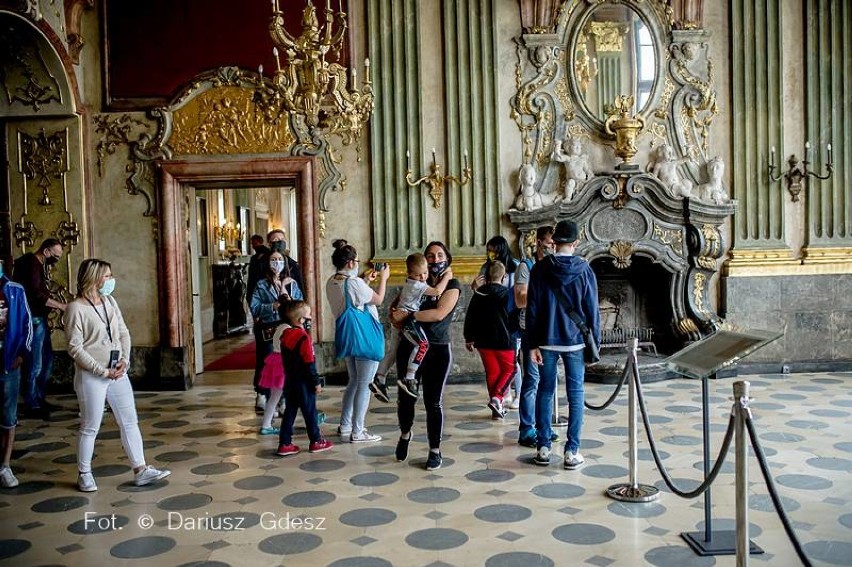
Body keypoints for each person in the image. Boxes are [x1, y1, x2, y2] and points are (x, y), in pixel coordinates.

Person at [65, 259, 170, 491]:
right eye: (107, 276)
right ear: (93, 278)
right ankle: (85, 473)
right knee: (90, 425)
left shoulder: (110, 301)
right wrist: (101, 370)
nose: (111, 280)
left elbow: (123, 332)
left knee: (129, 420)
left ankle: (140, 469)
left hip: (118, 371)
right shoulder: (76, 308)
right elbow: (75, 347)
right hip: (92, 375)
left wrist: (125, 360)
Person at [527, 220, 600, 469]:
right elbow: (592, 310)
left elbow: (532, 310)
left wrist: (532, 344)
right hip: (575, 342)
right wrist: (595, 344)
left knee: (545, 392)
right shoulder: (585, 270)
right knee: (576, 395)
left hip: (546, 340)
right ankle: (571, 451)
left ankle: (544, 448)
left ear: (554, 242)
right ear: (576, 242)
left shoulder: (539, 269)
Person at [391, 241, 462, 471]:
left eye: (440, 255)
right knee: (406, 399)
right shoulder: (412, 283)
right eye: (430, 256)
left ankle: (434, 450)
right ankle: (405, 434)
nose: (435, 260)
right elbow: (394, 315)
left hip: (437, 349)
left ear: (447, 258)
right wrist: (399, 316)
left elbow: (439, 314)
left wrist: (409, 315)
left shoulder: (452, 284)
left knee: (433, 402)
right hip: (409, 346)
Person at [326, 239, 388, 443]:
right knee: (365, 383)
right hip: (363, 336)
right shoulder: (354, 283)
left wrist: (365, 281)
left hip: (348, 335)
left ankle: (345, 425)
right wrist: (384, 279)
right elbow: (378, 299)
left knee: (353, 381)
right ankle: (358, 431)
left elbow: (351, 300)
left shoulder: (332, 281)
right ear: (351, 262)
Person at [373, 253, 453, 402]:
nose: (422, 277)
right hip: (408, 320)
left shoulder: (410, 282)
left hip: (399, 319)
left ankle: (380, 378)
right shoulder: (417, 285)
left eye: (425, 273)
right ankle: (409, 379)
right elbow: (437, 291)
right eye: (418, 275)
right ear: (409, 274)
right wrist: (447, 276)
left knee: (393, 352)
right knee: (423, 344)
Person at [514, 225, 559, 448]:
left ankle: (544, 428)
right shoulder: (527, 266)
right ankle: (526, 428)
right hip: (530, 328)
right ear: (540, 242)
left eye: (556, 244)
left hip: (552, 330)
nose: (553, 247)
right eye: (551, 243)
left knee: (549, 382)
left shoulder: (557, 266)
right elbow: (519, 299)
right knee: (532, 380)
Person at [13, 238, 67, 419]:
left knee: (46, 361)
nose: (56, 260)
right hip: (33, 319)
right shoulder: (30, 264)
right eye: (55, 256)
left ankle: (39, 397)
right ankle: (32, 403)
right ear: (46, 251)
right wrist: (60, 306)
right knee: (35, 364)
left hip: (40, 318)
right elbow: (35, 294)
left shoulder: (38, 264)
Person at [275, 300, 333, 456]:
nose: (310, 318)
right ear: (301, 320)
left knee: (290, 412)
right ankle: (316, 441)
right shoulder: (303, 338)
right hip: (304, 383)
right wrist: (316, 382)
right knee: (310, 412)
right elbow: (309, 363)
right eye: (308, 316)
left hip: (290, 381)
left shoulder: (285, 335)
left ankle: (284, 443)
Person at [472, 236, 522, 409]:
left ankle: (518, 394)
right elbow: (478, 294)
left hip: (509, 318)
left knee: (513, 363)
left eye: (494, 249)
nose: (491, 253)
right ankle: (501, 396)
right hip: (491, 321)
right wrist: (474, 288)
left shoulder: (515, 265)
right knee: (496, 367)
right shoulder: (486, 267)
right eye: (489, 249)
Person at [250, 251, 302, 414]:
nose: (277, 263)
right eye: (273, 259)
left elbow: (298, 306)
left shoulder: (292, 284)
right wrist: (272, 306)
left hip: (287, 329)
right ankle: (264, 395)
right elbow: (255, 307)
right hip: (269, 329)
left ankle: (284, 399)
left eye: (280, 260)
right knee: (267, 363)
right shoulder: (261, 284)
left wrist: (284, 289)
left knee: (286, 365)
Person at [464, 261, 515, 419]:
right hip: (505, 340)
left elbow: (470, 316)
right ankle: (497, 397)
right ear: (504, 276)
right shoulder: (508, 294)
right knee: (511, 370)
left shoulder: (478, 294)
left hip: (483, 341)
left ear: (485, 277)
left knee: (492, 372)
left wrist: (469, 338)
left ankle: (496, 405)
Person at [0, 260, 32, 489]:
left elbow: (26, 324)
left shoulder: (14, 290)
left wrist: (21, 353)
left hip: (7, 362)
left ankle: (5, 465)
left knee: (8, 416)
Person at [553, 136, 595, 201]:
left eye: (579, 146)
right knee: (570, 183)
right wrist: (558, 145)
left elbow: (587, 169)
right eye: (575, 145)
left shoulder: (582, 159)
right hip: (573, 181)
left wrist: (590, 174)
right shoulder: (568, 158)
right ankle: (568, 198)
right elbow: (557, 157)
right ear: (568, 147)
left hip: (583, 180)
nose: (578, 147)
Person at [246, 234, 270, 303]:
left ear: (260, 242)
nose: (253, 246)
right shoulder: (255, 256)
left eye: (255, 243)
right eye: (252, 244)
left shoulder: (266, 254)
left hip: (260, 282)